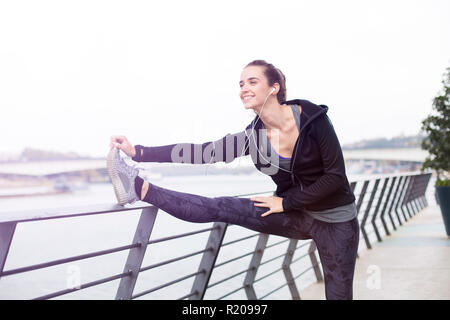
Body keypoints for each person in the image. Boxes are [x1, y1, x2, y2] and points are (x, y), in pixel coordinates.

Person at [108, 60, 359, 300]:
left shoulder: (313, 120)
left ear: (274, 87)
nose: (244, 89)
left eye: (252, 82)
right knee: (222, 207)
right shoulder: (253, 138)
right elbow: (202, 152)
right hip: (294, 213)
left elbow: (335, 178)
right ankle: (138, 187)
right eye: (241, 84)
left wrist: (286, 202)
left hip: (335, 220)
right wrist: (138, 152)